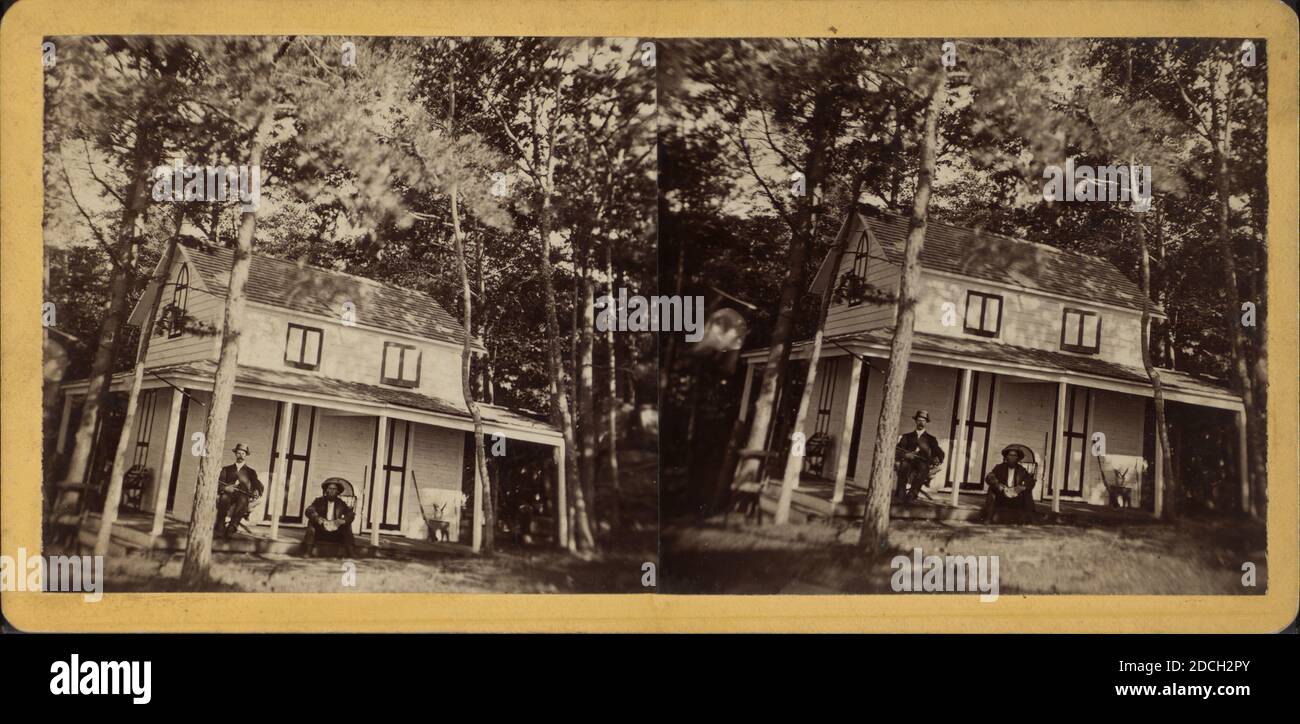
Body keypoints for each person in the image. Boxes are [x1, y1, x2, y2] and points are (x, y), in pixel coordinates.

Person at [214, 443, 263, 540]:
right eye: (238, 453)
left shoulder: (251, 471)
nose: (240, 455)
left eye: (243, 454)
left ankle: (231, 528)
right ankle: (220, 528)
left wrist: (257, 490)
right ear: (235, 454)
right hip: (229, 494)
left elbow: (257, 484)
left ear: (246, 455)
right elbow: (219, 484)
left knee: (243, 501)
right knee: (224, 499)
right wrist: (225, 488)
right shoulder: (226, 469)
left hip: (243, 495)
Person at [894, 410, 945, 502]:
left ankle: (911, 496)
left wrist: (938, 459)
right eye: (919, 420)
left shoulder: (931, 439)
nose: (921, 423)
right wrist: (906, 455)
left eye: (923, 421)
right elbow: (898, 450)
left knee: (923, 469)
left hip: (923, 463)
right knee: (904, 467)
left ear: (926, 422)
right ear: (915, 421)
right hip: (908, 461)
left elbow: (939, 453)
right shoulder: (907, 436)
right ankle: (901, 494)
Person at [981, 446, 1037, 523]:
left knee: (1027, 492)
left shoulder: (1022, 470)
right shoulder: (999, 467)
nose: (1012, 457)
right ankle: (988, 518)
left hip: (1016, 498)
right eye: (1010, 455)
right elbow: (989, 477)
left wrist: (1022, 487)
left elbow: (1031, 481)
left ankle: (1030, 519)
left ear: (1017, 458)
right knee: (991, 490)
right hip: (1002, 496)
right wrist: (999, 485)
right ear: (1006, 457)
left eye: (1015, 455)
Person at [302, 480, 357, 558]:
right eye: (330, 488)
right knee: (311, 522)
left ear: (337, 492)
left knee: (347, 525)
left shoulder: (341, 503)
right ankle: (308, 551)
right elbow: (309, 510)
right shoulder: (318, 501)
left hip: (336, 534)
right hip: (321, 532)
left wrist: (342, 521)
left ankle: (351, 552)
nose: (332, 491)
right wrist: (318, 519)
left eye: (334, 489)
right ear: (326, 490)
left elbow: (350, 514)